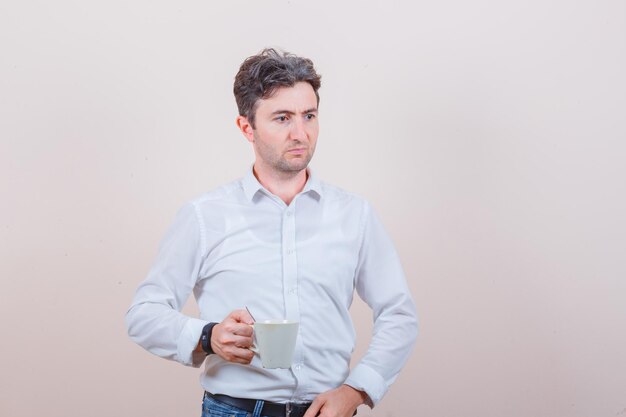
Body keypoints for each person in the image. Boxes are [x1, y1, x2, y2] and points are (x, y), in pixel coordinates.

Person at [126, 48, 418, 417]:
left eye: (309, 116)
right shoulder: (204, 215)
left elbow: (399, 313)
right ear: (246, 127)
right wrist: (208, 337)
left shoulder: (354, 214)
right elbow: (143, 313)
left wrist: (357, 389)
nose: (301, 133)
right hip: (234, 410)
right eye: (282, 118)